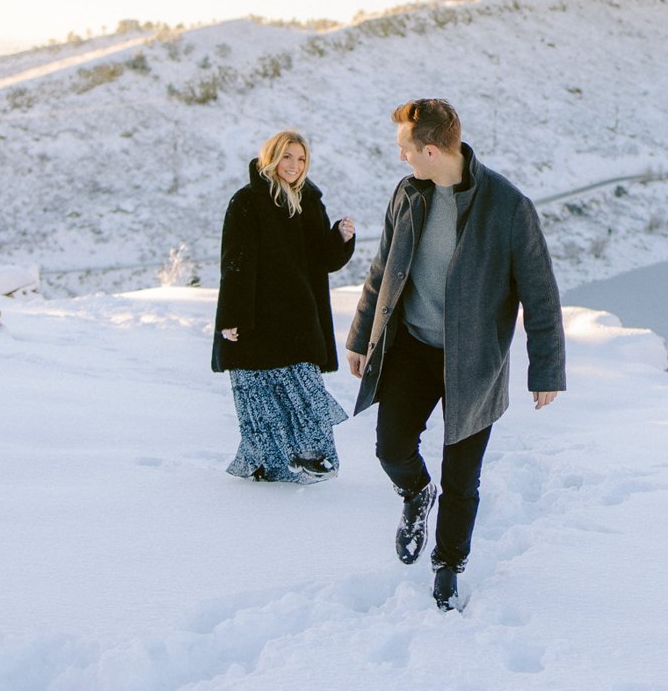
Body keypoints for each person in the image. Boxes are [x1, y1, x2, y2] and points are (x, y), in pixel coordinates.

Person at [346, 99, 566, 612]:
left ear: (428, 149)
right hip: (414, 348)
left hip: (475, 364)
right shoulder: (408, 194)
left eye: (405, 150)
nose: (401, 160)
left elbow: (540, 293)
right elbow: (383, 269)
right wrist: (362, 337)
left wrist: (546, 369)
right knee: (391, 448)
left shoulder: (508, 207)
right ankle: (416, 494)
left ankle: (448, 565)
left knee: (463, 477)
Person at [213, 130, 357, 483]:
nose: (294, 165)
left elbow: (321, 260)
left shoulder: (309, 200)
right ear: (271, 158)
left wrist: (339, 238)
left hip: (298, 318)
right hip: (257, 317)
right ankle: (266, 466)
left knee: (305, 390)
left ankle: (313, 458)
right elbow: (236, 262)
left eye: (301, 159)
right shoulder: (247, 201)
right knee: (260, 399)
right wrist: (232, 317)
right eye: (287, 157)